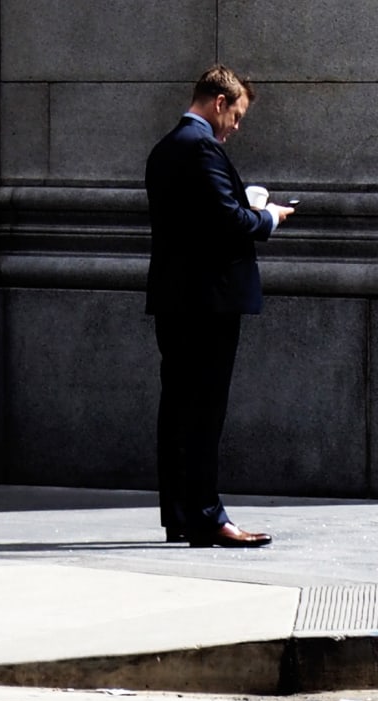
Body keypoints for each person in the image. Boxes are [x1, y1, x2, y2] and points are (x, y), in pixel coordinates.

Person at [144, 65, 294, 548]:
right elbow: (228, 222)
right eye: (237, 115)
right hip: (207, 302)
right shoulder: (201, 146)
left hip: (175, 298)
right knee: (204, 410)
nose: (236, 127)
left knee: (178, 409)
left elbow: (196, 219)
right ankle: (207, 516)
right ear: (219, 102)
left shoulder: (165, 149)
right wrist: (266, 215)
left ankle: (181, 514)